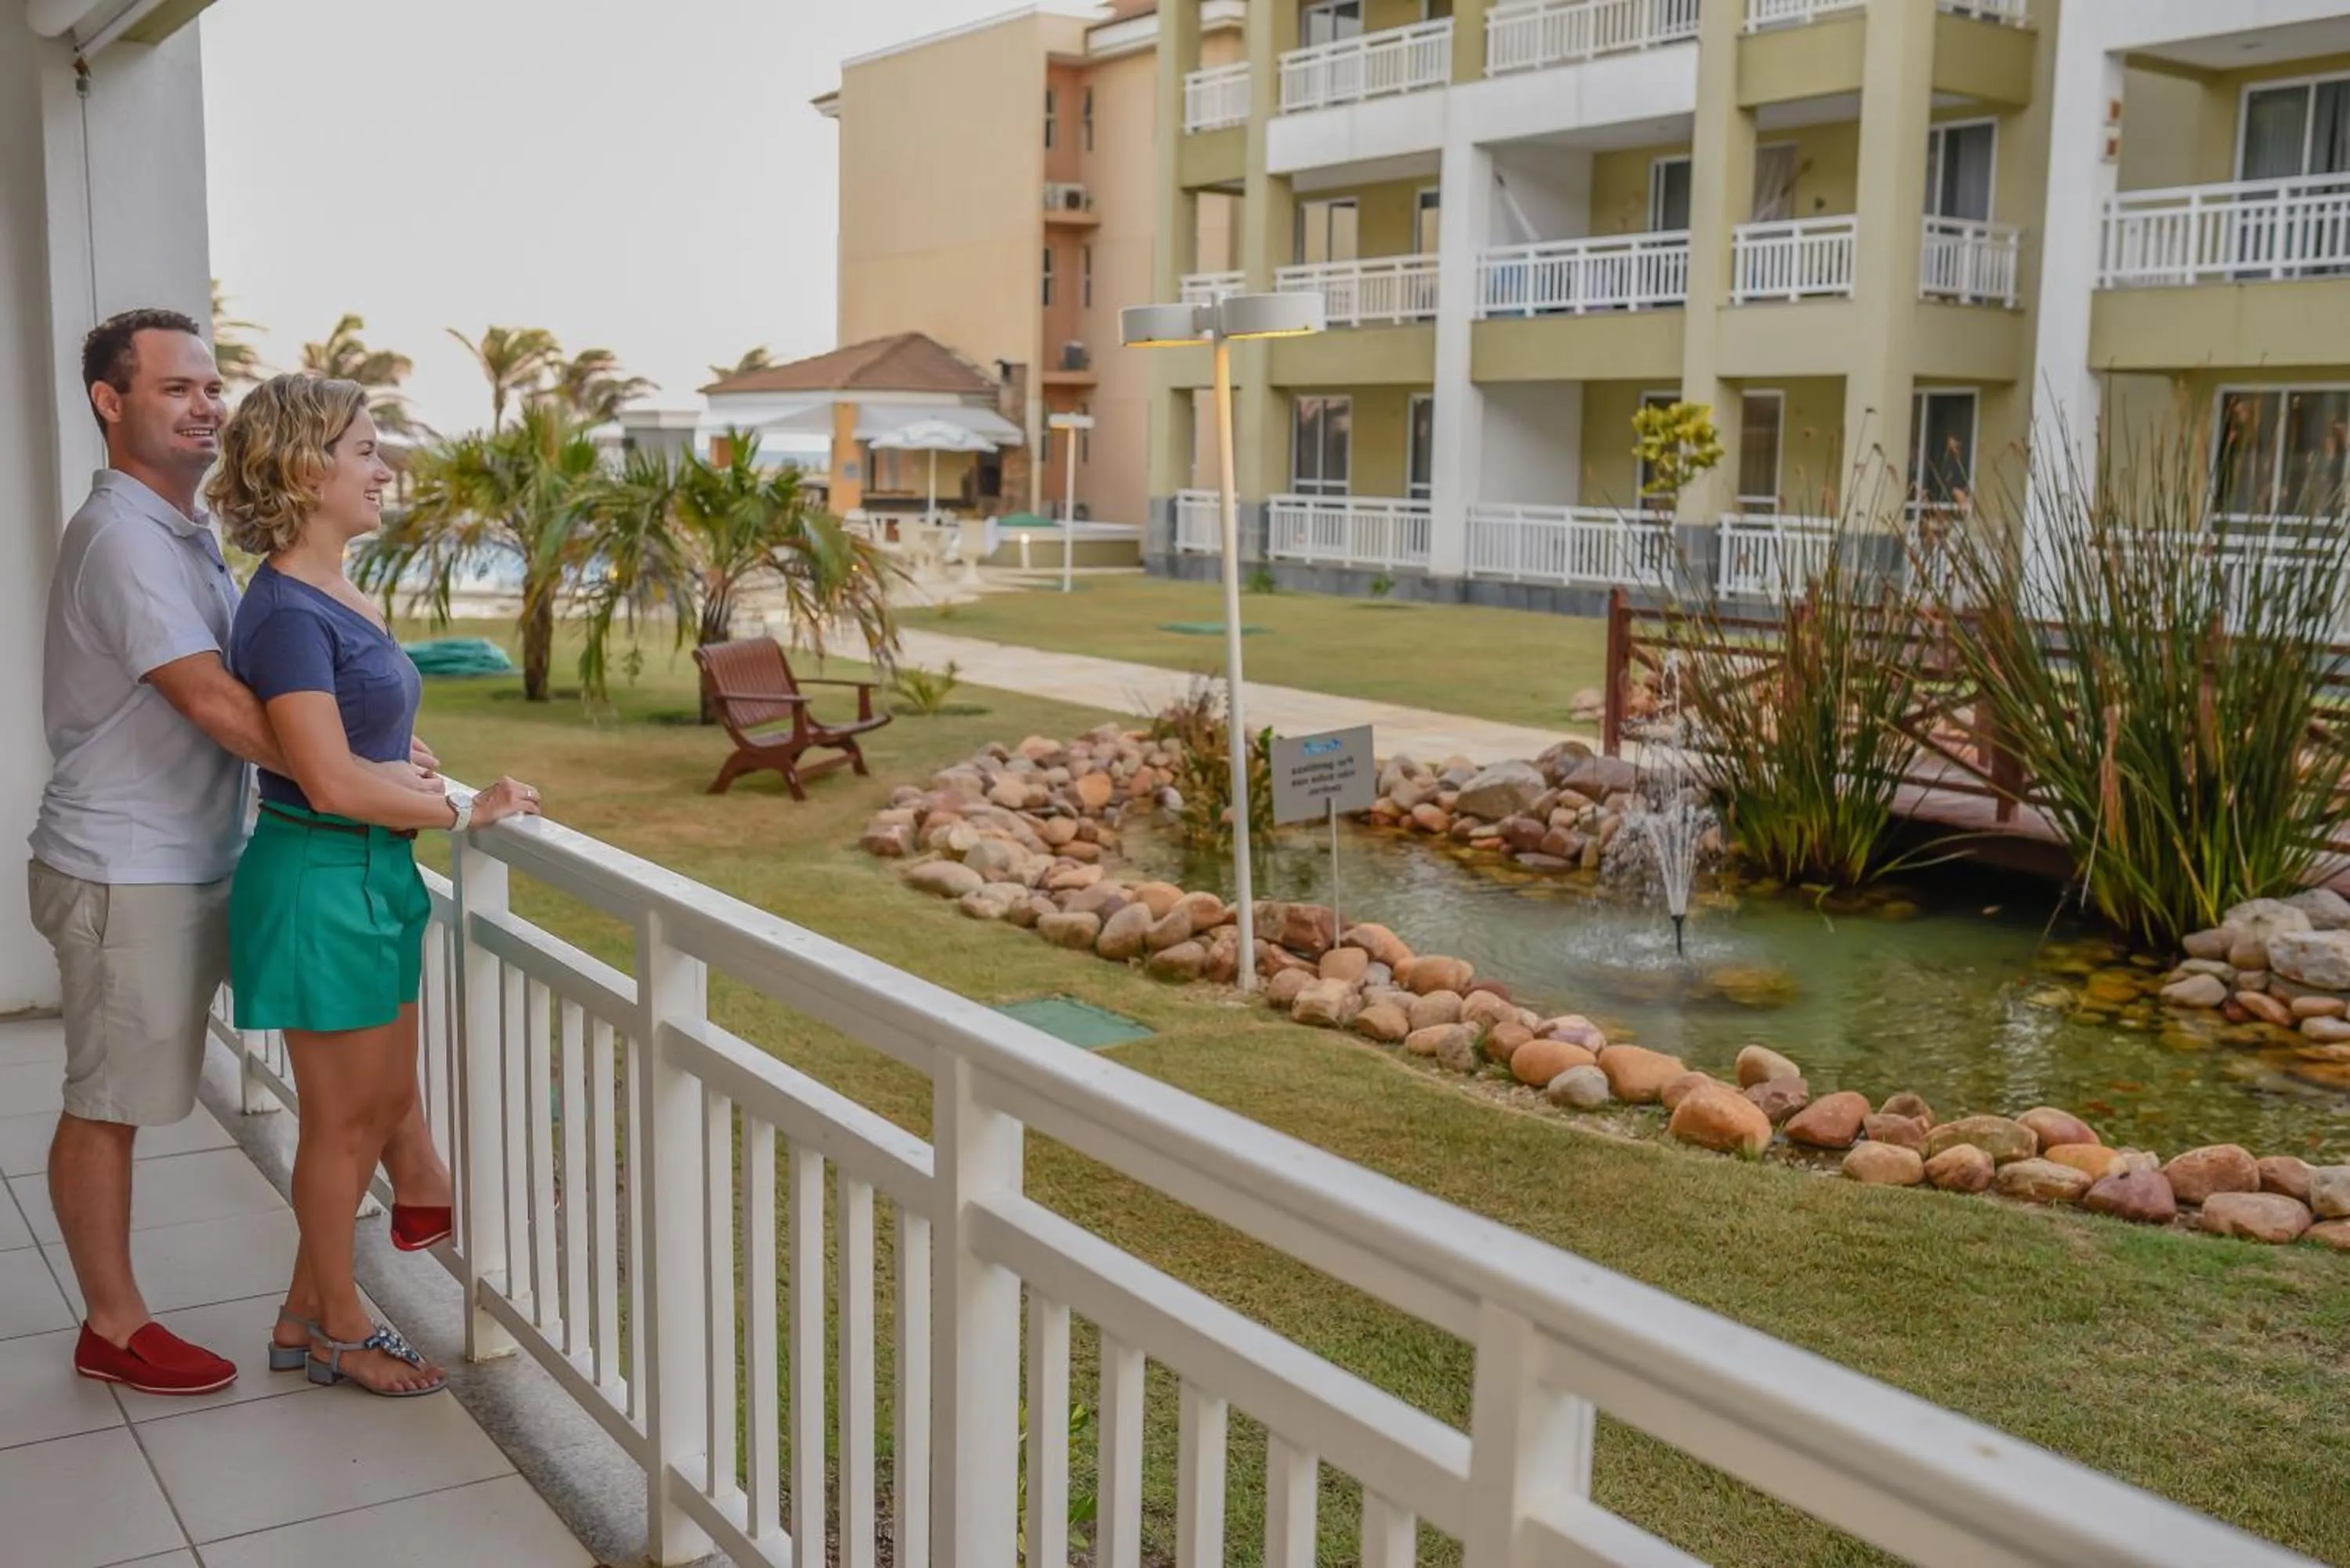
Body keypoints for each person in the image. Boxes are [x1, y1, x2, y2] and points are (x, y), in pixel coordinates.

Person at [31, 310, 446, 1396]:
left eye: (211, 386)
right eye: (175, 389)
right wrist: (353, 771)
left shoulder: (182, 538)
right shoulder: (124, 540)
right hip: (128, 863)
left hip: (200, 849)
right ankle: (114, 1325)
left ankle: (322, 1298)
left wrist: (357, 749)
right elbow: (217, 700)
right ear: (109, 403)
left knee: (307, 1091)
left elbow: (284, 688)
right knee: (111, 1098)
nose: (205, 404)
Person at [209, 372, 539, 1396]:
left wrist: (413, 758)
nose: (385, 469)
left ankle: (301, 1315)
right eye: (365, 450)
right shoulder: (284, 613)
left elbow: (359, 732)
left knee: (383, 1100)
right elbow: (329, 776)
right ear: (307, 468)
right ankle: (344, 1324)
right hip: (319, 878)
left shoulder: (338, 591)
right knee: (343, 1119)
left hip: (370, 875)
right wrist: (458, 810)